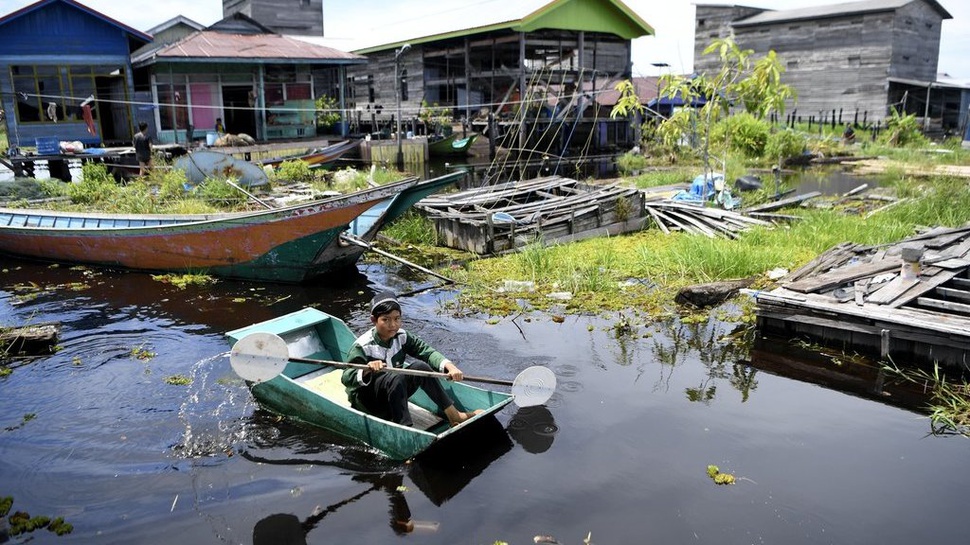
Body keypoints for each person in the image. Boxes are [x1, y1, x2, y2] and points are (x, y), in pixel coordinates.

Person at [342, 292, 482, 427]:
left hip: (394, 393)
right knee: (395, 377)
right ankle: (404, 426)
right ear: (373, 320)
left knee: (420, 367)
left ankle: (454, 415)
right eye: (386, 320)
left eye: (397, 319)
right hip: (370, 402)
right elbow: (346, 378)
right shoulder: (363, 345)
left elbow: (426, 352)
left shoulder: (402, 336)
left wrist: (450, 367)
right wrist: (367, 369)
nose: (393, 325)